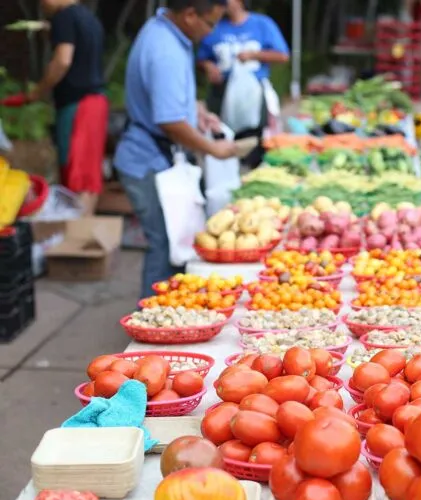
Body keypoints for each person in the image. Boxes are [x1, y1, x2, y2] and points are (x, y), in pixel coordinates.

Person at [113, 0, 236, 300]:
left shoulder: (165, 32)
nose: (211, 33)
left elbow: (168, 99)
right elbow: (169, 120)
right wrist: (213, 149)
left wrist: (196, 111)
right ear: (190, 14)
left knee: (170, 242)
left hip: (154, 154)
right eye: (210, 23)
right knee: (165, 245)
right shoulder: (165, 49)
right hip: (146, 159)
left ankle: (166, 313)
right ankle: (152, 324)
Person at [28, 0, 107, 216]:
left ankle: (73, 238)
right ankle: (82, 235)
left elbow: (63, 61)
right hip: (96, 102)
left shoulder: (65, 17)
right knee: (89, 177)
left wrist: (38, 91)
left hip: (78, 106)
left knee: (76, 176)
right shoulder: (89, 18)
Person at [197, 0, 289, 125]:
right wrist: (208, 66)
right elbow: (201, 58)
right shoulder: (214, 25)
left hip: (253, 93)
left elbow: (282, 56)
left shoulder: (262, 24)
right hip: (220, 93)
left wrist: (254, 55)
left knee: (254, 133)